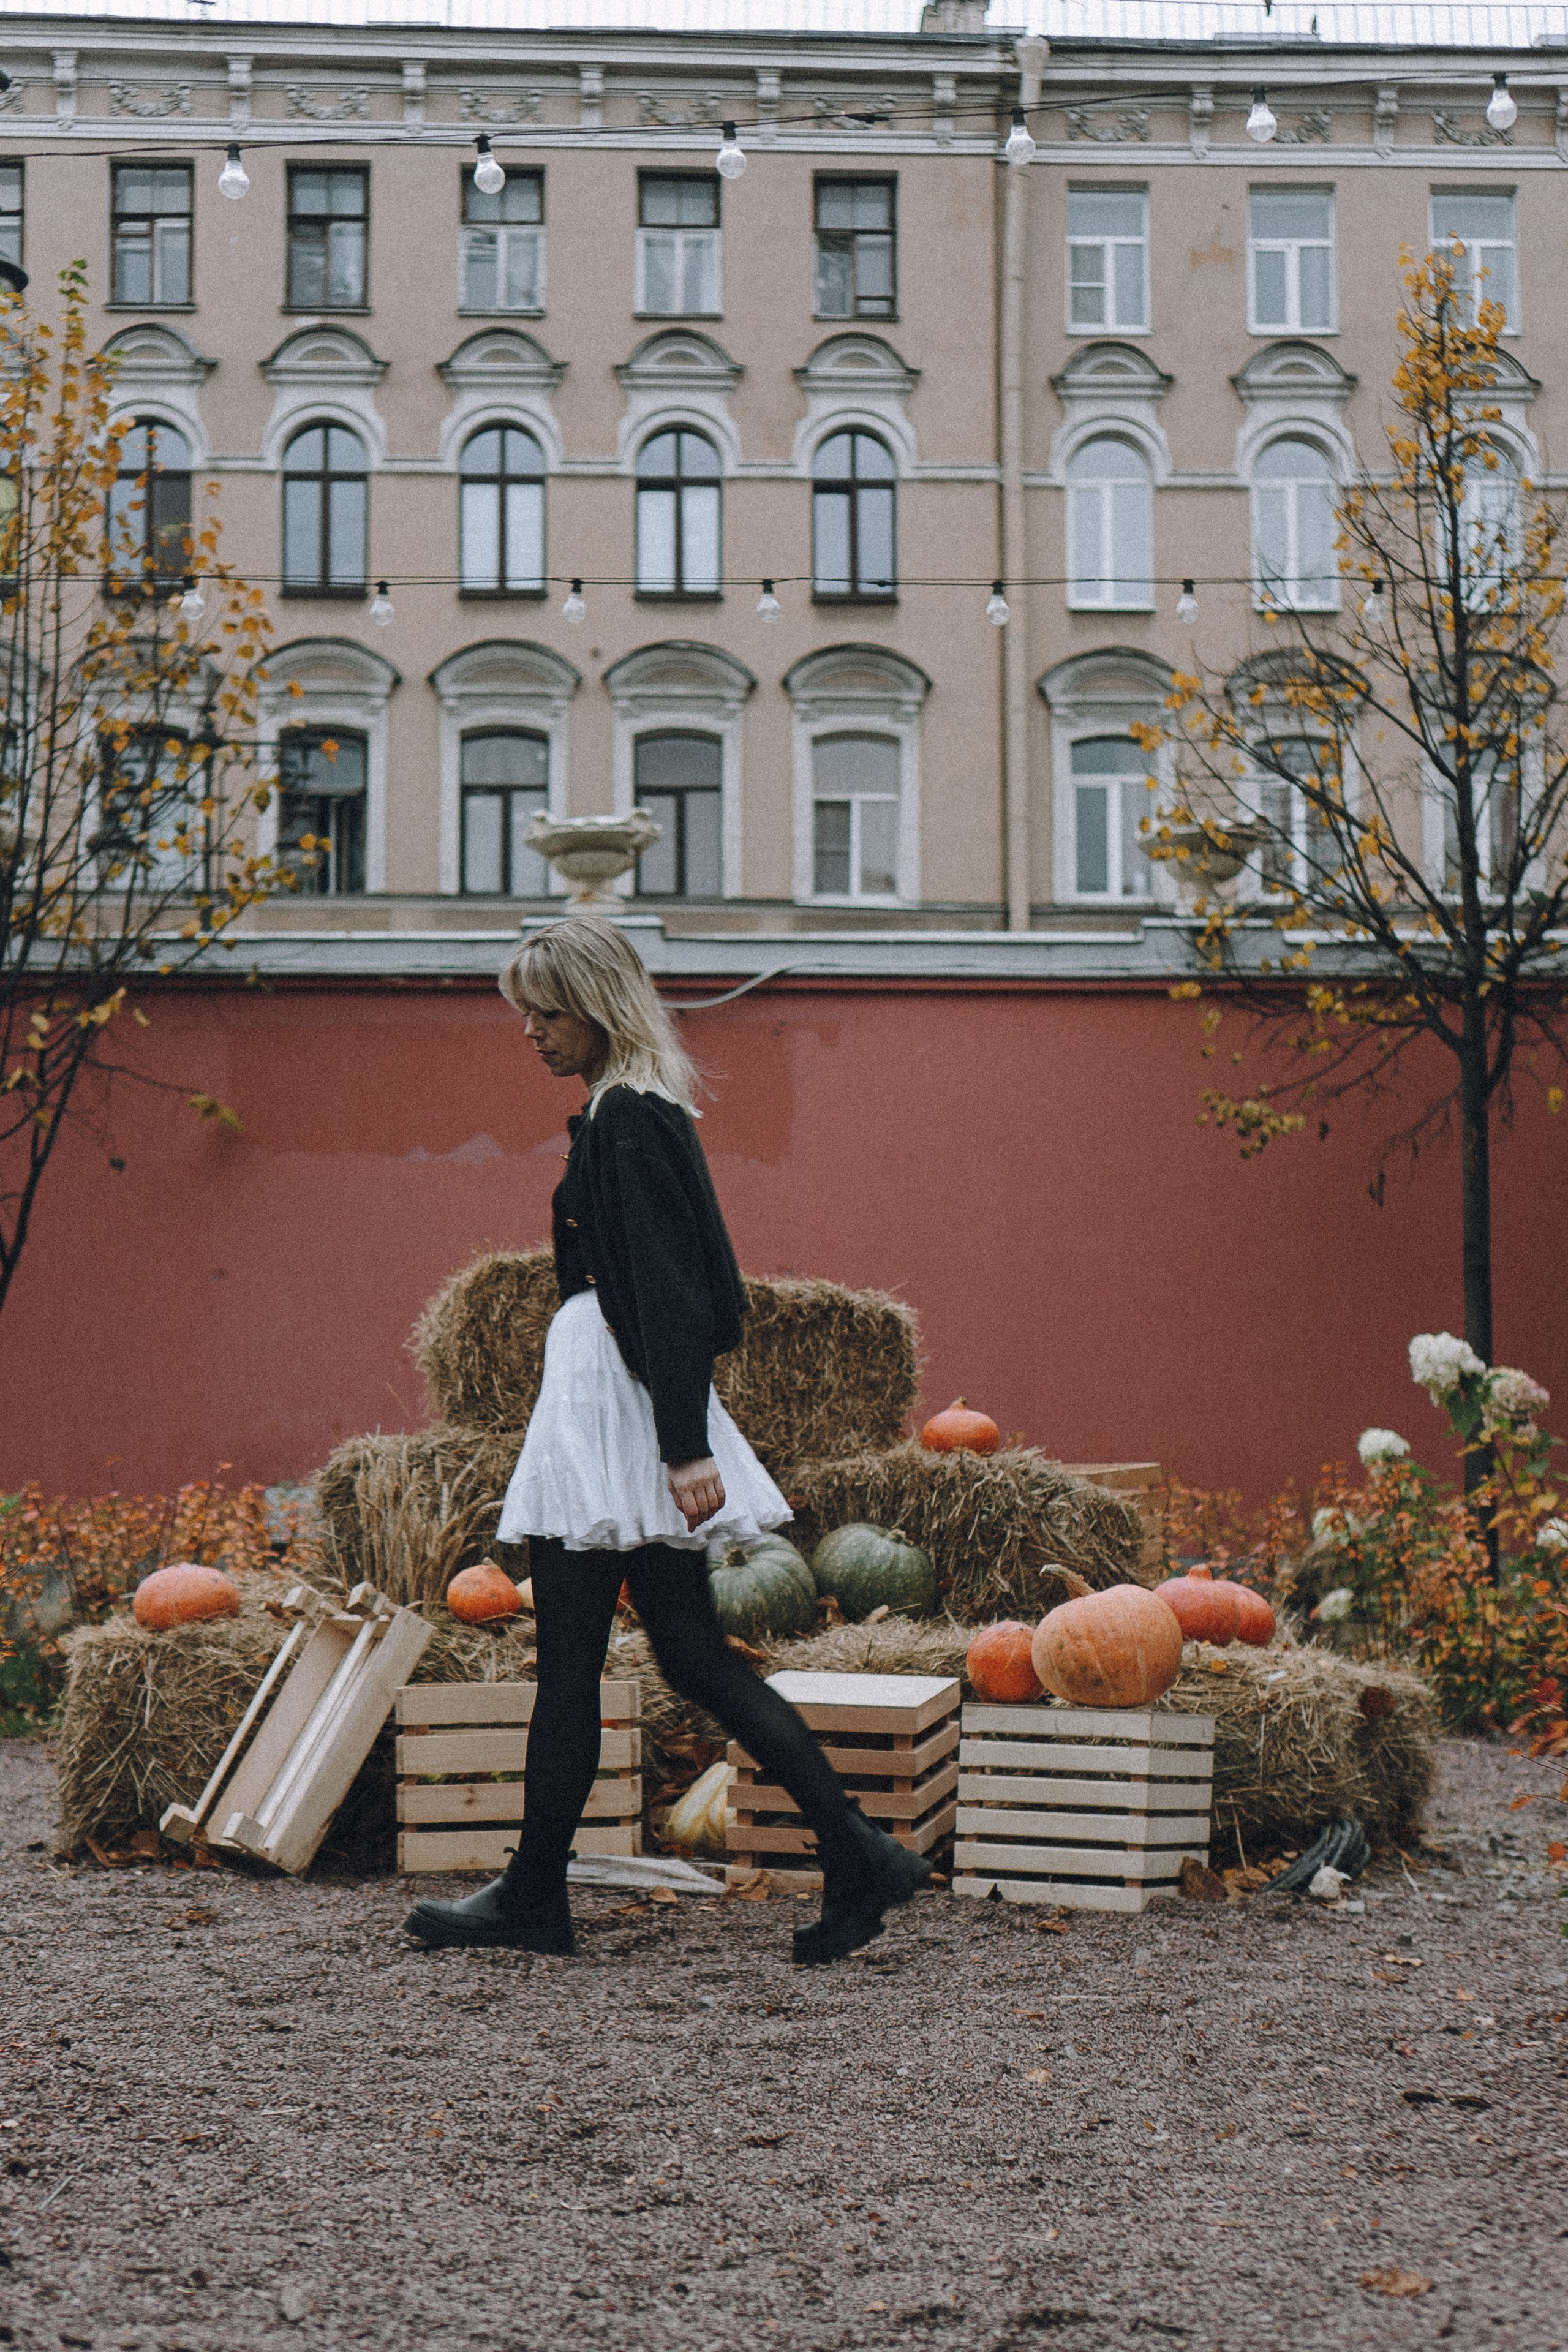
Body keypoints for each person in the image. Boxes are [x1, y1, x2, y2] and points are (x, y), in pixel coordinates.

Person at [405, 913, 929, 1966]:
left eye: (546, 1012)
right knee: (691, 1656)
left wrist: (683, 1443)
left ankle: (535, 1899)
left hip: (619, 1400)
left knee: (574, 1665)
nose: (530, 1032)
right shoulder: (634, 1110)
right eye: (525, 1013)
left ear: (596, 1008)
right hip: (621, 1393)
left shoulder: (627, 1121)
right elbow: (698, 1293)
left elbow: (684, 1296)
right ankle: (856, 1850)